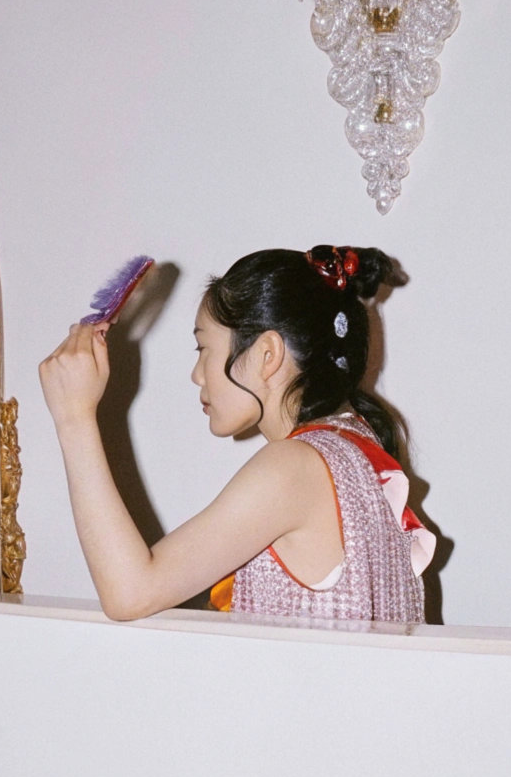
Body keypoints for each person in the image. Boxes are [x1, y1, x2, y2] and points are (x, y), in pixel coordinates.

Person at [39, 245, 434, 623]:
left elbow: (130, 592)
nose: (197, 375)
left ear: (266, 354)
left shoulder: (293, 467)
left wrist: (74, 417)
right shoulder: (355, 445)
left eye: (202, 348)